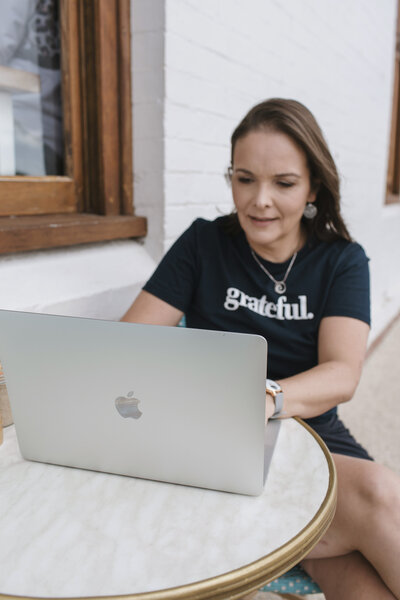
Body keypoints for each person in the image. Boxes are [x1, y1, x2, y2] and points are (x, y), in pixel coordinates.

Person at [122, 98, 400, 599]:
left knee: (373, 537)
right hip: (217, 441)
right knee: (377, 501)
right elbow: (127, 344)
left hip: (313, 437)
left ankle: (286, 547)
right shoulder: (204, 244)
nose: (259, 200)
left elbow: (343, 373)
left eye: (284, 183)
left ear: (314, 186)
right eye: (244, 178)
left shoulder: (341, 260)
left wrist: (267, 398)